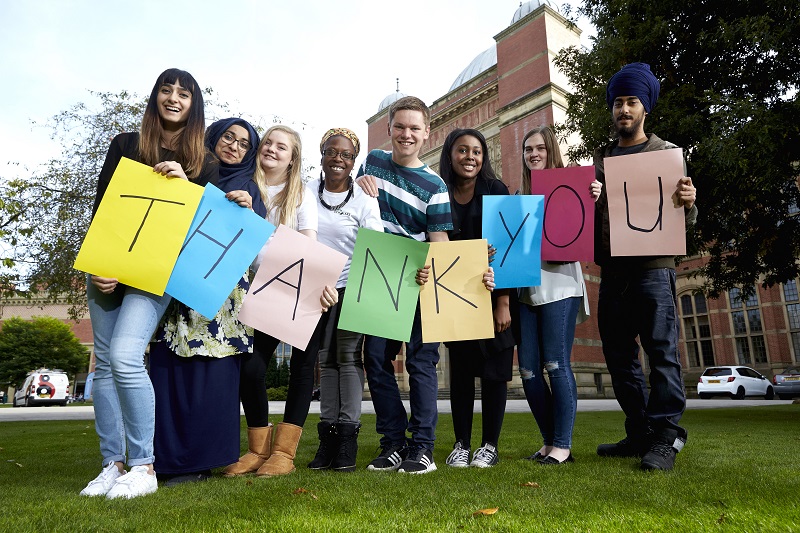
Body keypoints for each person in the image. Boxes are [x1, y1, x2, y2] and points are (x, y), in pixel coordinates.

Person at [81, 68, 218, 499]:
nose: (173, 98)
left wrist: (188, 185)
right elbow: (103, 206)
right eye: (166, 89)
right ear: (155, 96)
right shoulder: (125, 144)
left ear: (194, 104)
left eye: (183, 93)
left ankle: (143, 465)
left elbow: (203, 231)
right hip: (107, 268)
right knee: (104, 364)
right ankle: (112, 464)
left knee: (125, 355)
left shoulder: (205, 162)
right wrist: (101, 263)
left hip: (156, 272)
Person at [593, 62, 697, 471]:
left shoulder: (667, 154)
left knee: (661, 352)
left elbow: (683, 220)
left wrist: (690, 203)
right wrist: (594, 198)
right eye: (618, 102)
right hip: (613, 271)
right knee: (619, 357)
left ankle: (667, 435)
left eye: (631, 101)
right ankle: (640, 432)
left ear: (645, 107)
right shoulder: (602, 160)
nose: (623, 109)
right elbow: (597, 221)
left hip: (654, 268)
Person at [149, 118, 260, 486]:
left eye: (245, 143)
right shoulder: (188, 172)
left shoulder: (247, 185)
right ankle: (165, 459)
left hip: (220, 298)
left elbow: (255, 240)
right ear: (212, 137)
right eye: (229, 137)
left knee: (212, 380)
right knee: (171, 374)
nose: (235, 146)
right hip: (175, 288)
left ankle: (202, 461)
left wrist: (247, 208)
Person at [223, 125, 337, 477]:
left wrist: (323, 286)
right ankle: (258, 449)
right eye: (268, 142)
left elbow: (309, 243)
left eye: (282, 147)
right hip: (252, 287)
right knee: (252, 368)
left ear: (292, 159)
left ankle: (283, 455)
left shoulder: (301, 195)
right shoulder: (241, 184)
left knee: (303, 369)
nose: (272, 149)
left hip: (294, 284)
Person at [517, 126, 601, 465]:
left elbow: (586, 227)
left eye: (540, 148)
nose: (534, 154)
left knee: (555, 363)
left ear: (551, 150)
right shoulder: (518, 195)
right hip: (526, 290)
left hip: (560, 285)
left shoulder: (573, 189)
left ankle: (562, 445)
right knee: (528, 371)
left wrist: (596, 194)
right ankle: (548, 440)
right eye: (527, 149)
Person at [435, 128, 514, 469]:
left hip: (493, 293)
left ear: (484, 158)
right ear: (450, 155)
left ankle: (489, 446)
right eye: (463, 150)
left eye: (477, 152)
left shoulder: (496, 191)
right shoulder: (439, 194)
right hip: (457, 297)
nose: (470, 157)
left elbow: (509, 250)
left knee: (495, 372)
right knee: (462, 374)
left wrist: (503, 303)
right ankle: (462, 444)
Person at [306, 128, 383, 472]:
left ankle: (348, 438)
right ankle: (328, 438)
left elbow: (376, 242)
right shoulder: (306, 191)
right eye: (332, 152)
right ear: (321, 154)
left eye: (347, 155)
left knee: (348, 357)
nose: (339, 159)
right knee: (325, 359)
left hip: (352, 285)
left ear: (354, 162)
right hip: (313, 287)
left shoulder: (364, 201)